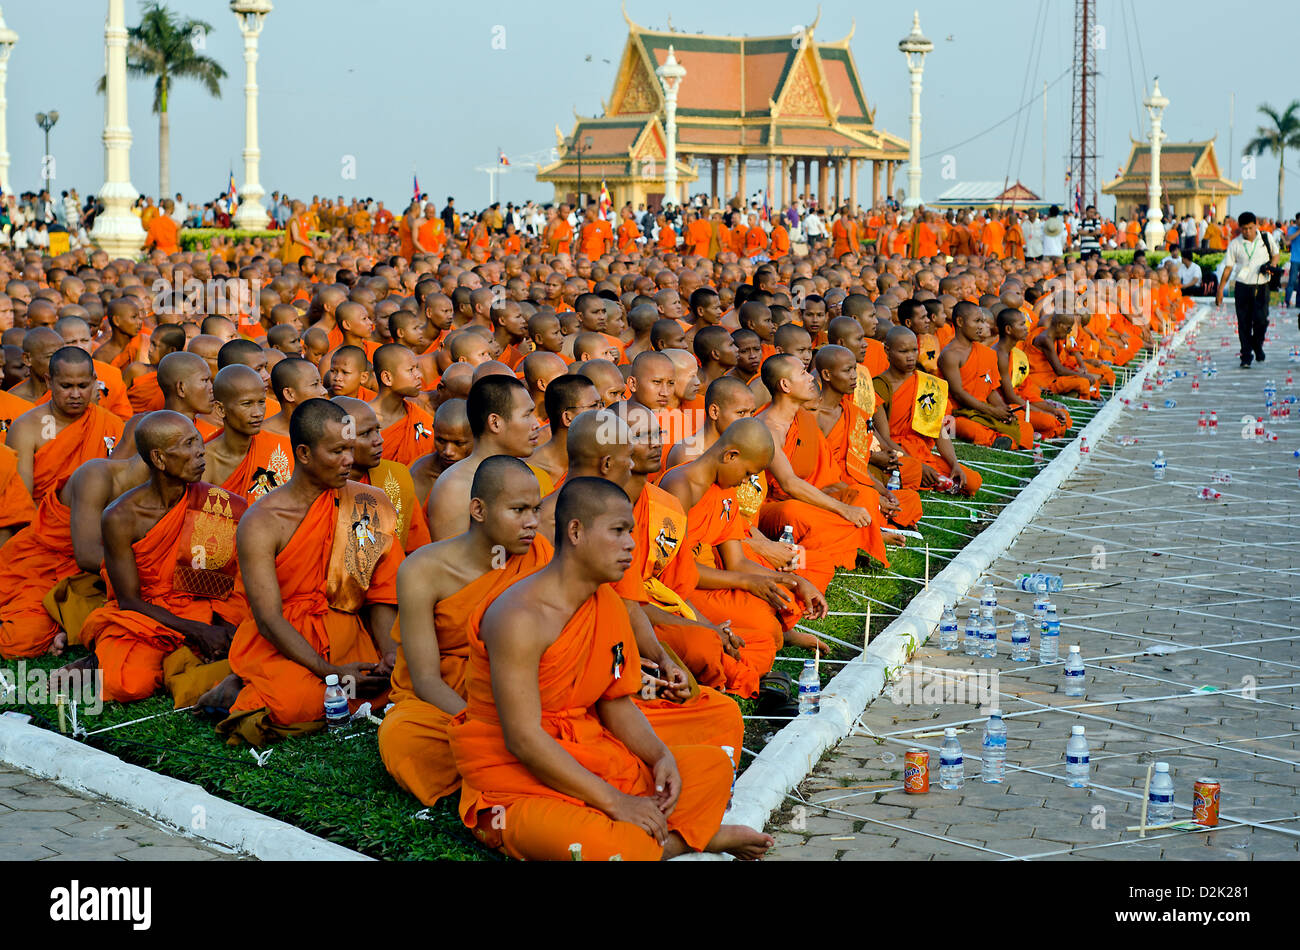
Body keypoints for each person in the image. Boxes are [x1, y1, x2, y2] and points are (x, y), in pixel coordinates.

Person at [447, 475, 772, 861]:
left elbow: (615, 702)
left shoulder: (608, 604)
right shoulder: (518, 617)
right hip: (517, 782)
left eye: (631, 532)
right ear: (576, 531)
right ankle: (693, 838)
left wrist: (659, 756)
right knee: (612, 848)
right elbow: (523, 740)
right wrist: (616, 802)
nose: (631, 544)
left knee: (710, 768)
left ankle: (659, 833)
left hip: (593, 755)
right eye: (618, 531)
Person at [215, 399, 403, 746]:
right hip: (285, 640)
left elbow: (380, 593)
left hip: (347, 629)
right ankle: (234, 689)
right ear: (303, 453)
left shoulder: (368, 503)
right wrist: (331, 674)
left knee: (396, 683)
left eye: (350, 448)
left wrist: (390, 653)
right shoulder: (262, 521)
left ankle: (247, 682)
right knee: (294, 705)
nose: (349, 459)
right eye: (337, 451)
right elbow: (268, 619)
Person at [379, 455, 551, 807]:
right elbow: (425, 680)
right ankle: (518, 759)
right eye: (518, 510)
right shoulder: (422, 570)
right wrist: (481, 725)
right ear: (478, 509)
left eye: (536, 510)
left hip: (523, 687)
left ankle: (510, 758)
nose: (532, 523)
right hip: (451, 699)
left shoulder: (541, 557)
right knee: (401, 738)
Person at [75, 412, 248, 704]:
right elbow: (129, 600)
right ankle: (103, 660)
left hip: (201, 599)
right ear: (158, 458)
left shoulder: (218, 504)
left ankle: (179, 657)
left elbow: (225, 579)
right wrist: (198, 631)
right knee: (127, 684)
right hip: (150, 613)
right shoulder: (120, 517)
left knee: (245, 635)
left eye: (198, 441)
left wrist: (220, 625)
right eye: (189, 444)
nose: (201, 451)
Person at [427, 375, 544, 540]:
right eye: (527, 415)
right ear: (495, 423)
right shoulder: (457, 488)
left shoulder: (524, 476)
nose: (536, 424)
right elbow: (453, 563)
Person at [871, 327, 981, 496]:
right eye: (903, 351)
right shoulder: (879, 386)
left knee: (971, 481)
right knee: (907, 474)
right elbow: (884, 438)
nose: (910, 356)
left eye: (914, 350)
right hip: (897, 455)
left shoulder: (927, 384)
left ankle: (929, 480)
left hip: (921, 453)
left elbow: (939, 430)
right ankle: (925, 479)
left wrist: (954, 464)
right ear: (887, 350)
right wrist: (916, 466)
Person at [938, 301, 1031, 449]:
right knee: (967, 428)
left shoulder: (986, 353)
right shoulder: (950, 355)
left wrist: (1003, 410)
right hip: (958, 413)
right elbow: (958, 394)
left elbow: (990, 390)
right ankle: (999, 439)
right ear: (960, 322)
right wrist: (993, 411)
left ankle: (1004, 439)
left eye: (982, 321)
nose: (981, 326)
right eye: (977, 321)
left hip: (984, 409)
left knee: (1022, 422)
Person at [1216, 211, 1281, 368]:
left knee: (1261, 320)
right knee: (1243, 323)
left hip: (1262, 285)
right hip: (1242, 286)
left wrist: (1271, 266)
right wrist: (1220, 290)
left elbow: (1276, 254)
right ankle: (1246, 355)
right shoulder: (1235, 244)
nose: (1247, 232)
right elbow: (1228, 268)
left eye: (1250, 228)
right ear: (1240, 228)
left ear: (1256, 225)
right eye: (1244, 229)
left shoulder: (1266, 238)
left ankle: (1257, 345)